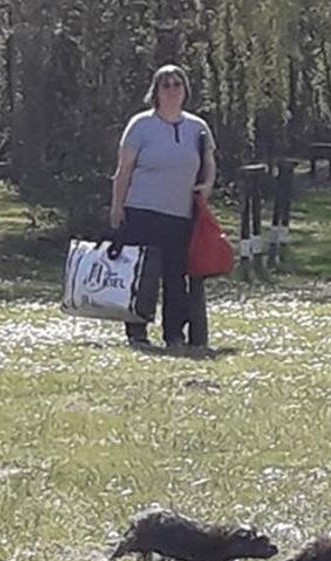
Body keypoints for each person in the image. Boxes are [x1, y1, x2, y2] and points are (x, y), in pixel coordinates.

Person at [110, 64, 216, 350]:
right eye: (165, 85)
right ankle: (137, 331)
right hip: (142, 211)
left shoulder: (197, 128)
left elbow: (209, 165)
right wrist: (117, 208)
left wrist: (206, 186)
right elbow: (124, 170)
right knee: (142, 275)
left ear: (185, 90)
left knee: (175, 277)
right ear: (155, 91)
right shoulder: (141, 125)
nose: (171, 90)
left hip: (180, 215)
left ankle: (174, 334)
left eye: (177, 84)